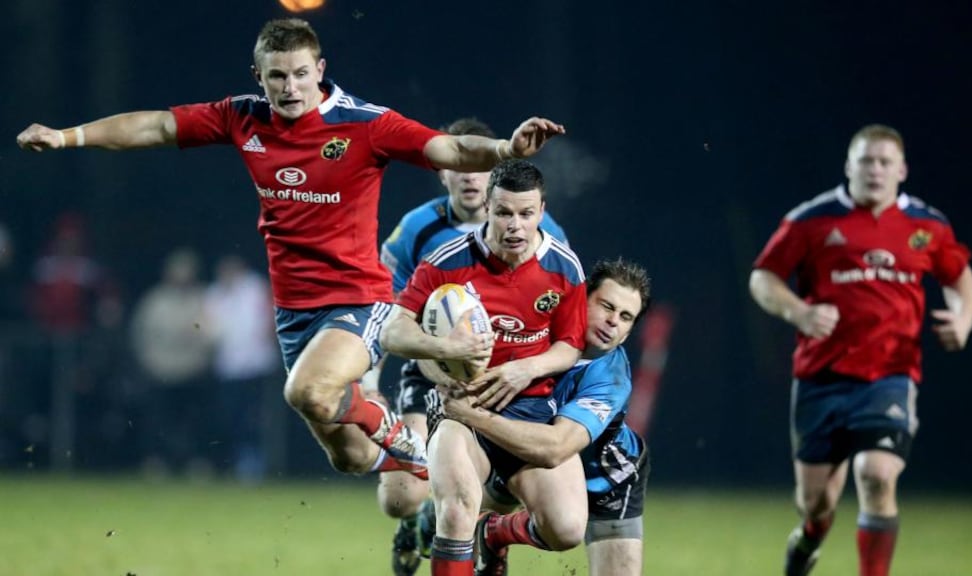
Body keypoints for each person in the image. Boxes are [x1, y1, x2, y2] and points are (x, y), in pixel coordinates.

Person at [16, 18, 566, 482]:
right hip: (293, 313)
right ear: (259, 77)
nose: (290, 87)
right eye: (277, 76)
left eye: (301, 74)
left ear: (319, 71)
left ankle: (396, 428)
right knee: (347, 455)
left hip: (358, 299)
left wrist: (501, 149)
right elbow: (157, 125)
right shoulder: (243, 117)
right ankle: (419, 467)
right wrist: (69, 136)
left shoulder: (364, 125)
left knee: (305, 390)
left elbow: (446, 147)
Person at [748, 124, 972, 576]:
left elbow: (959, 277)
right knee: (815, 504)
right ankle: (809, 539)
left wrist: (964, 318)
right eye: (866, 160)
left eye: (885, 162)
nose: (875, 170)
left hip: (890, 376)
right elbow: (762, 277)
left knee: (876, 475)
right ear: (849, 165)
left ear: (902, 169)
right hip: (821, 377)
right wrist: (800, 312)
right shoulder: (812, 219)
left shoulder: (927, 225)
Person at [375, 117, 570, 576]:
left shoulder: (548, 236)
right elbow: (386, 312)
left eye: (479, 168)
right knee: (400, 497)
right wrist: (368, 380)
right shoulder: (416, 231)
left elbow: (561, 323)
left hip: (509, 377)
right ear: (443, 172)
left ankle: (456, 526)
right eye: (461, 168)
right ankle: (421, 520)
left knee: (481, 492)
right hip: (430, 368)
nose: (469, 178)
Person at [439, 257, 652, 576]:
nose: (613, 322)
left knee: (566, 529)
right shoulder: (535, 328)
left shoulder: (611, 378)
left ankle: (494, 531)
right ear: (582, 297)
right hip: (521, 457)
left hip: (605, 479)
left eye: (625, 317)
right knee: (454, 502)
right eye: (606, 306)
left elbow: (556, 448)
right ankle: (437, 520)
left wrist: (473, 416)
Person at [130, 247, 214, 476]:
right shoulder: (155, 300)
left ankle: (196, 463)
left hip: (192, 371)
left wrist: (201, 358)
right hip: (160, 371)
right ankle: (156, 462)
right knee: (157, 422)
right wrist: (149, 362)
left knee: (194, 423)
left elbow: (210, 334)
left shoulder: (202, 299)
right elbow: (141, 334)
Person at [203, 253, 283, 482]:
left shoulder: (255, 288)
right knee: (232, 416)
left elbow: (271, 318)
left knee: (254, 417)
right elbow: (208, 327)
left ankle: (256, 463)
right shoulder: (215, 293)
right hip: (228, 367)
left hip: (256, 365)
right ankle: (236, 460)